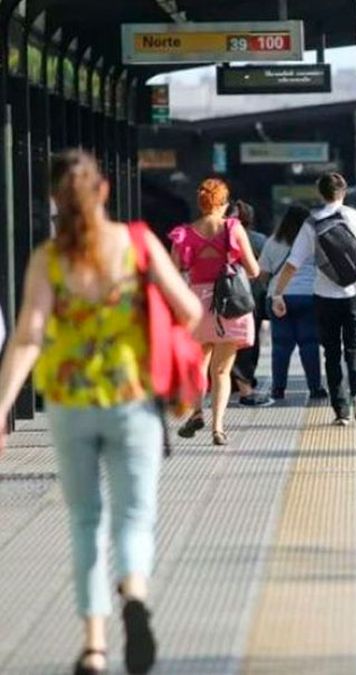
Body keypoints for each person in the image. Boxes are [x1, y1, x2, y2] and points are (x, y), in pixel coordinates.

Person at [0, 150, 202, 675]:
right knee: (135, 514)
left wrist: (0, 409)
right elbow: (190, 309)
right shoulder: (137, 243)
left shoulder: (48, 258)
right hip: (132, 400)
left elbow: (28, 337)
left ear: (54, 198)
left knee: (85, 519)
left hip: (70, 405)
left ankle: (93, 646)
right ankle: (133, 593)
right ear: (104, 190)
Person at [272, 173, 356, 425]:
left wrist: (278, 293)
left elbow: (293, 263)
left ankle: (341, 411)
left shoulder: (311, 223)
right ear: (343, 192)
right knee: (354, 350)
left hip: (324, 296)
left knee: (332, 354)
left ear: (320, 193)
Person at [169, 178, 262, 445]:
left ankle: (197, 412)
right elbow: (254, 270)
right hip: (229, 302)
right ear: (222, 203)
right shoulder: (233, 228)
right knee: (221, 371)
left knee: (199, 366)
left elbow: (173, 273)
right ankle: (218, 428)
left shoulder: (184, 234)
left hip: (197, 304)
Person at [258, 205, 327, 401]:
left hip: (279, 297)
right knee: (309, 343)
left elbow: (263, 273)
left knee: (280, 345)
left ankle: (278, 389)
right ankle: (315, 388)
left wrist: (272, 287)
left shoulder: (273, 241)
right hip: (308, 296)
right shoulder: (314, 240)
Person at [229, 199, 273, 407]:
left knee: (226, 340)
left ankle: (233, 379)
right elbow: (263, 269)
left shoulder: (220, 237)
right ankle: (246, 379)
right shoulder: (259, 240)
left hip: (225, 294)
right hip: (251, 296)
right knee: (249, 341)